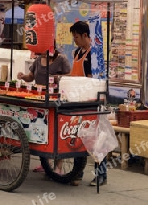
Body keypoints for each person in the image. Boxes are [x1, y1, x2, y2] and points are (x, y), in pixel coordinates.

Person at [17, 48, 71, 172]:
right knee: (42, 131)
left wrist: (58, 78)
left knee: (55, 131)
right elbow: (30, 77)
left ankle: (58, 167)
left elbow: (69, 76)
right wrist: (22, 76)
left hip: (56, 100)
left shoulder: (61, 59)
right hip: (40, 99)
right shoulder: (37, 60)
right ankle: (45, 163)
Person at [69, 20, 107, 187]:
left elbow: (94, 81)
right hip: (77, 101)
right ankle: (78, 173)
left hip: (91, 102)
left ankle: (102, 175)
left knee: (95, 141)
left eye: (76, 37)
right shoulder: (77, 52)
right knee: (78, 138)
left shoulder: (94, 55)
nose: (75, 40)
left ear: (85, 35)